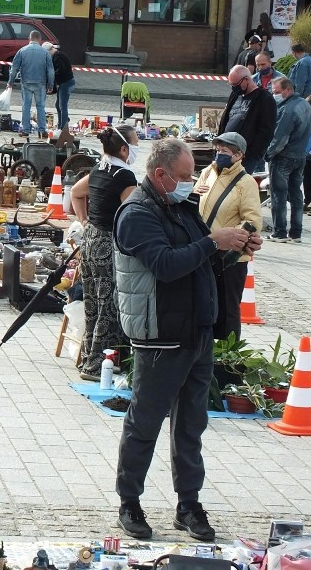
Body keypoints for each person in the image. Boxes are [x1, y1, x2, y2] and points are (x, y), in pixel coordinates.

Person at [113, 138, 261, 542]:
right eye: (182, 176)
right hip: (160, 335)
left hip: (197, 330)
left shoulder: (181, 206)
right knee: (145, 422)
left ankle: (188, 505)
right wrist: (214, 240)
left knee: (191, 426)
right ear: (159, 175)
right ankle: (130, 502)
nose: (190, 182)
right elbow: (165, 265)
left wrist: (234, 249)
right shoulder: (136, 213)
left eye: (190, 175)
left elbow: (205, 262)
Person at [70, 125, 139, 380]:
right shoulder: (124, 176)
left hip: (90, 240)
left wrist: (84, 220)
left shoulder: (100, 168)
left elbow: (76, 193)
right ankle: (98, 365)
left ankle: (89, 356)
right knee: (109, 305)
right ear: (124, 149)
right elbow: (133, 214)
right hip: (108, 243)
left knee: (92, 303)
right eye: (135, 143)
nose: (137, 148)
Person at [193, 132, 262, 341]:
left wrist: (233, 242)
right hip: (205, 249)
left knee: (227, 310)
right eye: (218, 149)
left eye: (225, 151)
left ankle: (227, 360)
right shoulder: (207, 172)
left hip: (228, 258)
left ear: (239, 155)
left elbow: (253, 221)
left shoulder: (246, 182)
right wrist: (194, 191)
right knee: (203, 305)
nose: (220, 154)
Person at [264, 77, 311, 242]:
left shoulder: (288, 110)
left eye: (277, 92)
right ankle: (296, 232)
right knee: (296, 194)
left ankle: (280, 232)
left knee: (279, 194)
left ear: (288, 90)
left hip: (283, 157)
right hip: (300, 156)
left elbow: (280, 138)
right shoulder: (305, 105)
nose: (274, 95)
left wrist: (268, 154)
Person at [218, 65, 277, 174]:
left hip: (245, 156)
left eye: (235, 84)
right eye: (231, 85)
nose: (233, 88)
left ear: (246, 79)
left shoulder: (264, 98)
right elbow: (226, 118)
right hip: (225, 151)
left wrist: (253, 154)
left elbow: (267, 130)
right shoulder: (236, 95)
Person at [7, 30, 54, 138]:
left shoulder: (22, 51)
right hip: (40, 83)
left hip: (26, 82)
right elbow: (50, 71)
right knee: (41, 107)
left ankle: (25, 130)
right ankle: (42, 131)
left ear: (29, 38)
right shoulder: (45, 52)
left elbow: (14, 68)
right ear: (40, 39)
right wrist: (50, 84)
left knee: (26, 106)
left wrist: (10, 82)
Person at [44, 41, 75, 130]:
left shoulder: (58, 57)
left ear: (50, 50)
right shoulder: (58, 55)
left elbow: (61, 70)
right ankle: (62, 123)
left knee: (62, 105)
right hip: (65, 83)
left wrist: (53, 76)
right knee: (58, 105)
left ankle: (63, 127)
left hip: (66, 83)